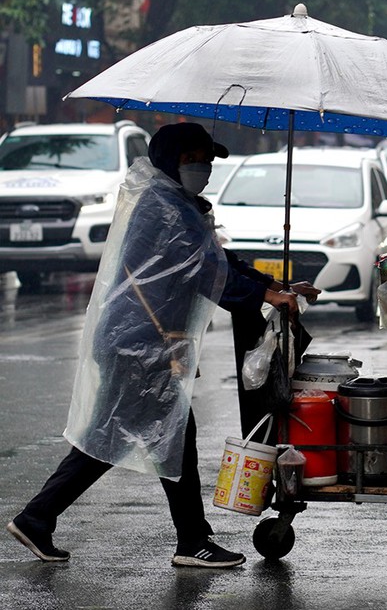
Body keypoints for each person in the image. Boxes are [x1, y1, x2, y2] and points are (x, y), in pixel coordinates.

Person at [6, 122, 319, 568]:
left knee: (130, 437)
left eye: (208, 161)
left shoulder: (179, 206)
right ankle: (190, 541)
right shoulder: (163, 207)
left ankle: (39, 518)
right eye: (196, 160)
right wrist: (266, 296)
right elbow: (202, 271)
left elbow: (217, 261)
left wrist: (274, 284)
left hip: (142, 343)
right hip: (139, 344)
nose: (205, 169)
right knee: (166, 437)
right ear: (172, 160)